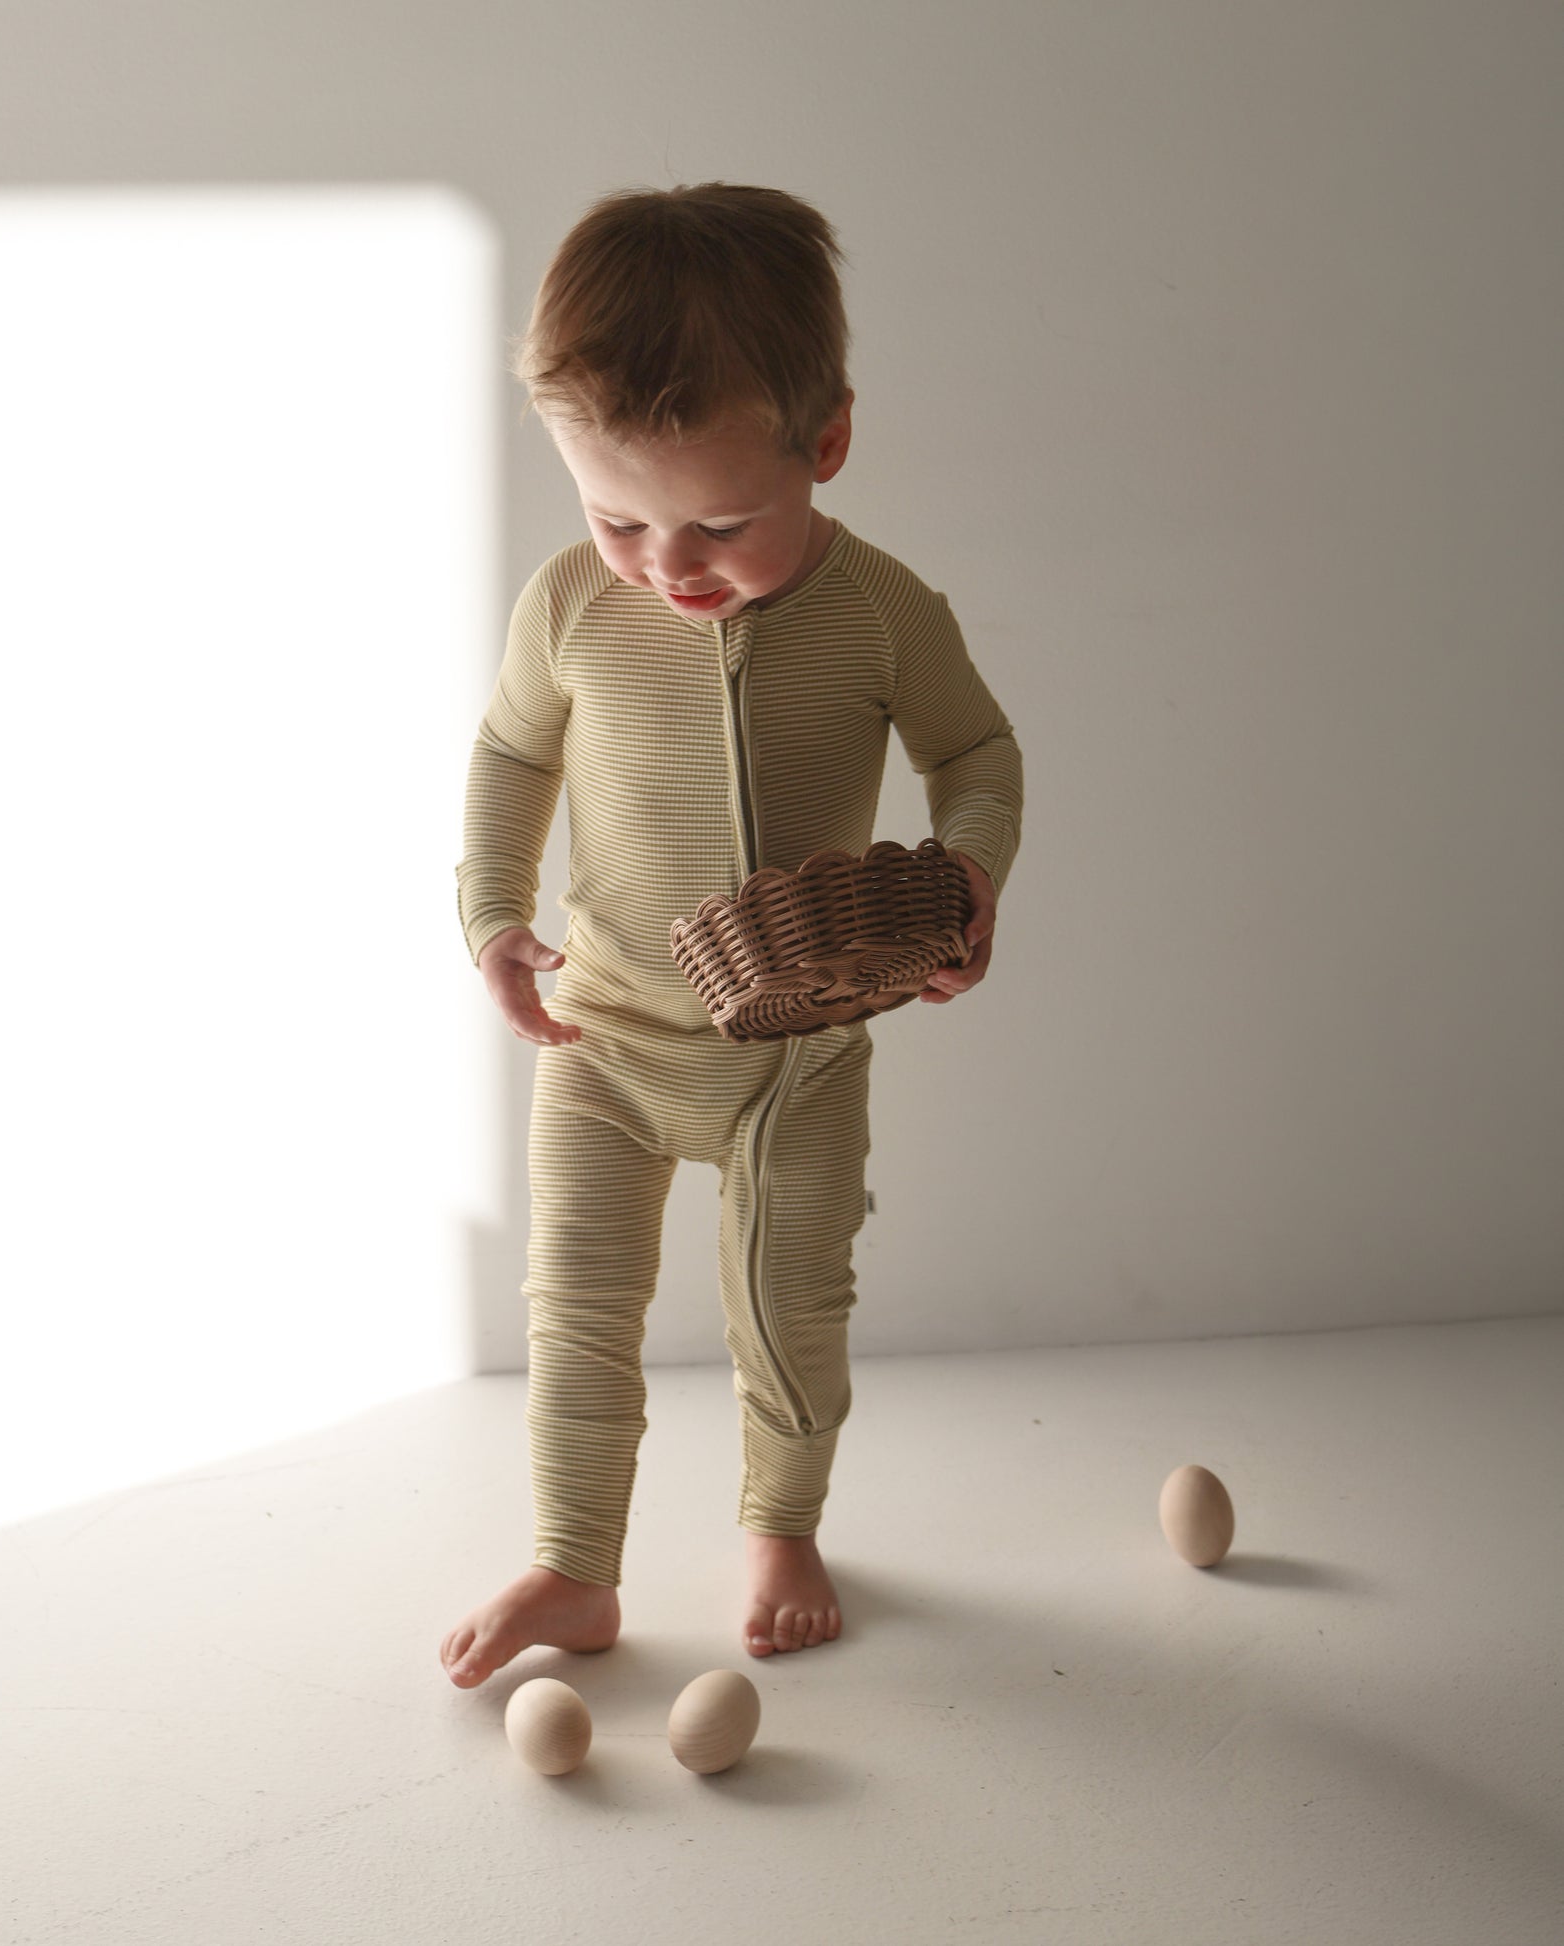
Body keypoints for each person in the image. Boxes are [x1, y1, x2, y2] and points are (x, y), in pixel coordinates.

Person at [440, 183, 1023, 1688]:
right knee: (573, 1310)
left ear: (823, 444)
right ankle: (574, 1567)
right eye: (616, 514)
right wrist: (493, 914)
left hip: (800, 1054)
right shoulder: (568, 605)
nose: (667, 563)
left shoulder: (883, 610)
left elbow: (975, 754)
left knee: (790, 1301)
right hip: (608, 1042)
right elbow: (512, 756)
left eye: (720, 521)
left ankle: (782, 1517)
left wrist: (966, 878)